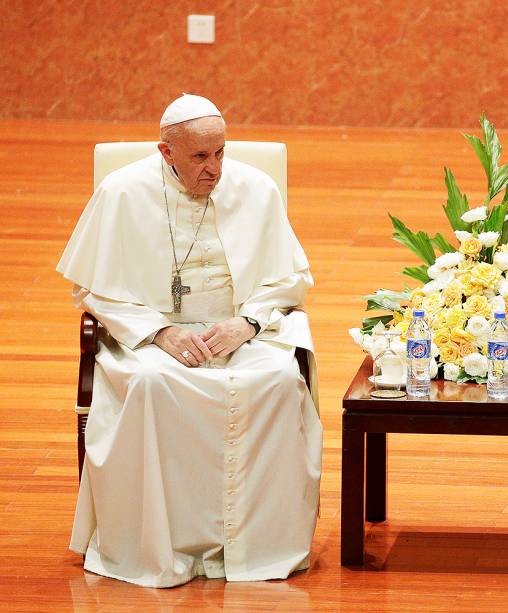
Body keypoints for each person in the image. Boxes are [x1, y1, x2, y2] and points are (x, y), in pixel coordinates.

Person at [57, 94, 322, 587]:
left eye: (220, 152)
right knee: (154, 385)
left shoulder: (256, 188)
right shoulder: (122, 192)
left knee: (279, 382)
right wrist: (159, 331)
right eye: (200, 157)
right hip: (152, 331)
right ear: (166, 152)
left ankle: (254, 546)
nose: (215, 168)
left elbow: (289, 279)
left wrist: (247, 323)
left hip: (238, 327)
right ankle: (168, 544)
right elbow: (92, 289)